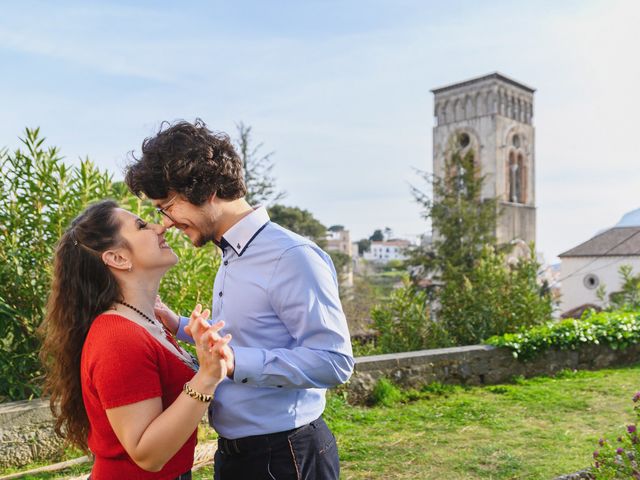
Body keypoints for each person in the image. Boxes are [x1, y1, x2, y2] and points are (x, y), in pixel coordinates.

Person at [124, 119, 354, 479]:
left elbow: (334, 361)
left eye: (166, 205)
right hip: (237, 453)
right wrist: (178, 324)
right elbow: (246, 334)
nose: (165, 223)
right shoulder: (233, 252)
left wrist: (233, 363)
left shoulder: (290, 257)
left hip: (285, 454)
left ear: (207, 188)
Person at [40, 200, 231, 480]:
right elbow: (147, 454)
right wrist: (206, 377)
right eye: (142, 225)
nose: (161, 227)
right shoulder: (118, 338)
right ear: (117, 258)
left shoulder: (148, 323)